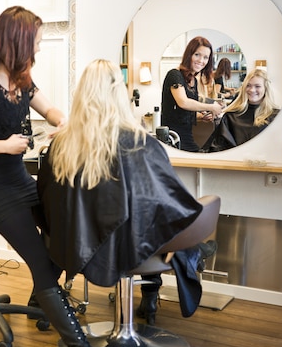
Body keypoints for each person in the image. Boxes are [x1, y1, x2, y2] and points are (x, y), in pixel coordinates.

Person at [0, 6, 111, 347]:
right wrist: (4, 146)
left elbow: (50, 108)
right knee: (41, 262)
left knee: (63, 230)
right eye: (35, 41)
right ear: (18, 41)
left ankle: (41, 300)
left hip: (21, 180)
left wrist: (62, 120)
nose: (37, 47)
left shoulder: (22, 80)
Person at [37, 59, 211, 328]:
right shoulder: (140, 142)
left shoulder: (60, 144)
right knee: (164, 215)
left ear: (81, 93)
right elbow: (165, 202)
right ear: (119, 92)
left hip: (82, 243)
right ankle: (189, 256)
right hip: (134, 244)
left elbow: (49, 203)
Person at [161, 36, 223, 152]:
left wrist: (201, 116)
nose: (201, 60)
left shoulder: (193, 80)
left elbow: (183, 113)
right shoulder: (175, 75)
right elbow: (183, 102)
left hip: (186, 136)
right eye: (197, 55)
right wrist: (211, 107)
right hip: (174, 139)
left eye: (205, 57)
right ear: (189, 54)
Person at [202, 69, 279, 152]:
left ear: (266, 89)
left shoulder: (276, 116)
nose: (252, 90)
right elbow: (216, 148)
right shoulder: (231, 116)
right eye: (248, 85)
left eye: (257, 86)